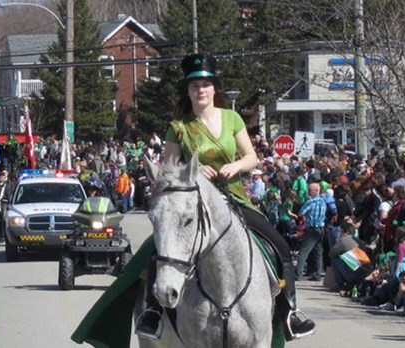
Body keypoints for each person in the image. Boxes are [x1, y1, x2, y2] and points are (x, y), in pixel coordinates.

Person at [135, 53, 315, 341]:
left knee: (279, 244)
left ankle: (289, 310)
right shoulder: (178, 127)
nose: (200, 90)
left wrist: (235, 166)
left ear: (214, 88)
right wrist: (191, 170)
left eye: (205, 84)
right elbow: (168, 173)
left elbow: (252, 157)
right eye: (194, 86)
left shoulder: (232, 118)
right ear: (188, 91)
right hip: (193, 201)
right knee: (157, 252)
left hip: (234, 198)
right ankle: (154, 311)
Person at [295, 183, 327, 281]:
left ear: (316, 190)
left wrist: (304, 217)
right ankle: (317, 273)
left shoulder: (311, 202)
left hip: (312, 229)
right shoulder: (322, 202)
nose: (309, 191)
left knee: (304, 252)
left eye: (310, 190)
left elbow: (301, 213)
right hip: (320, 228)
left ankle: (297, 274)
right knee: (318, 252)